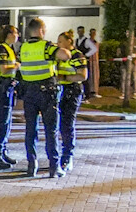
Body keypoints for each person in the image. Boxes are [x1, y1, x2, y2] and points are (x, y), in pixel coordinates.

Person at [15, 18, 60, 177]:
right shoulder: (47, 46)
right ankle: (54, 167)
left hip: (29, 93)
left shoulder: (23, 47)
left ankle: (31, 165)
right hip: (47, 92)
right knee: (51, 130)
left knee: (30, 130)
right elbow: (64, 55)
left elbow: (19, 64)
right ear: (42, 30)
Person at [54, 30, 87, 169]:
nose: (58, 44)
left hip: (72, 91)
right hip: (60, 91)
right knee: (57, 124)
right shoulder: (59, 56)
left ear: (69, 41)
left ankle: (67, 156)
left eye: (61, 41)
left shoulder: (77, 56)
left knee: (67, 124)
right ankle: (58, 155)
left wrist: (65, 78)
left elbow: (83, 75)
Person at [0, 26, 19, 169]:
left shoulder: (8, 48)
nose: (17, 35)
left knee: (7, 122)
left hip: (7, 88)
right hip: (2, 88)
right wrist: (17, 66)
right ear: (9, 34)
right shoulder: (2, 49)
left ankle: (2, 151)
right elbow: (3, 69)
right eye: (16, 33)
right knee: (2, 122)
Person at [77, 26, 102, 98]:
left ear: (83, 32)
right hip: (78, 61)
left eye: (81, 31)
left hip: (84, 61)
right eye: (79, 31)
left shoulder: (86, 41)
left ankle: (87, 95)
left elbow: (94, 49)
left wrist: (86, 55)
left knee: (85, 78)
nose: (80, 33)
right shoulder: (77, 40)